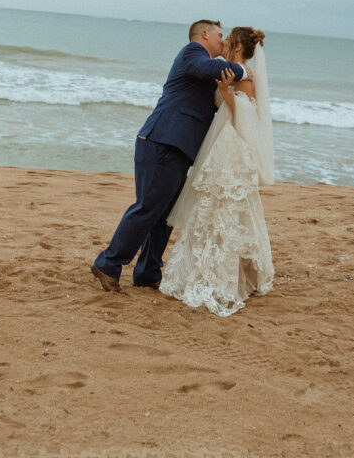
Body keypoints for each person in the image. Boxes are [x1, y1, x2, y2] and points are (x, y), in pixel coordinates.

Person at [90, 20, 247, 293]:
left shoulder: (206, 69)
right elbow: (218, 69)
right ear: (204, 34)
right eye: (220, 36)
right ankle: (108, 263)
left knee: (165, 216)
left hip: (177, 148)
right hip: (162, 141)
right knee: (148, 207)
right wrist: (243, 68)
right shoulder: (192, 54)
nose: (223, 42)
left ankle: (147, 272)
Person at [159, 27, 274, 317]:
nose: (222, 43)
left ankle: (225, 274)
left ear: (236, 48)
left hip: (232, 148)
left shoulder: (244, 75)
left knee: (226, 210)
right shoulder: (233, 71)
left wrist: (225, 93)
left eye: (227, 40)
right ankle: (206, 265)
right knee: (211, 208)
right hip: (220, 143)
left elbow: (246, 114)